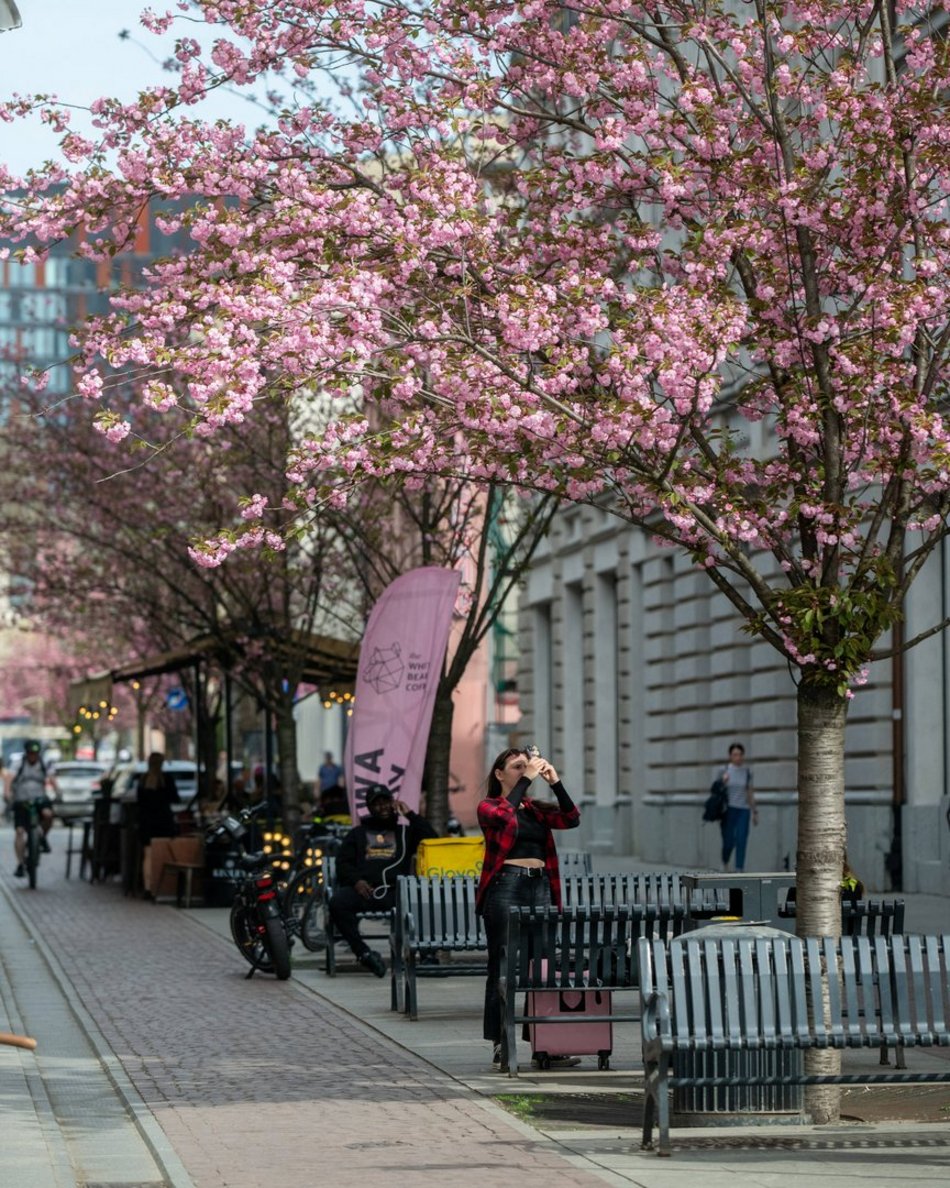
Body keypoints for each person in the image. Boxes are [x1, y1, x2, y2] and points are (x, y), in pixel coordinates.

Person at [476, 747, 580, 1068]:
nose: (524, 770)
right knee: (502, 967)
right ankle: (499, 1042)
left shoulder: (534, 808)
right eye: (517, 767)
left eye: (527, 765)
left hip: (540, 887)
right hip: (507, 886)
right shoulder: (488, 807)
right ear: (499, 774)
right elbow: (504, 818)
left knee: (542, 967)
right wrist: (527, 778)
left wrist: (555, 782)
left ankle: (544, 1044)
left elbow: (571, 819)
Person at [329, 784, 436, 977]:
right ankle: (364, 954)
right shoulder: (358, 833)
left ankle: (428, 955)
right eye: (376, 804)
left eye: (386, 802)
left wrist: (410, 814)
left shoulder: (405, 832)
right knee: (337, 902)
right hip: (366, 891)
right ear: (369, 808)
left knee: (422, 899)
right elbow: (343, 863)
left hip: (396, 892)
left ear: (393, 802)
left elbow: (432, 839)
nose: (382, 807)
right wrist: (356, 881)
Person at [6, 740, 58, 877]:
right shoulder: (18, 763)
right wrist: (7, 792)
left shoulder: (44, 762)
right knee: (19, 831)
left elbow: (52, 779)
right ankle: (20, 864)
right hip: (21, 800)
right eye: (30, 754)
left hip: (40, 799)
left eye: (35, 753)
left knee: (48, 814)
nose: (32, 756)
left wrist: (58, 792)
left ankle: (41, 837)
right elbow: (9, 778)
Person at [719, 742, 756, 872]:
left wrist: (754, 811)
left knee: (741, 839)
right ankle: (725, 861)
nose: (738, 757)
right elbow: (717, 790)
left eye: (740, 755)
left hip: (743, 810)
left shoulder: (747, 772)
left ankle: (739, 868)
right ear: (730, 756)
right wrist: (722, 781)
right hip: (728, 810)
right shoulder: (724, 770)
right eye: (735, 755)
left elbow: (749, 791)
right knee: (729, 840)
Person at [136, 752, 178, 846]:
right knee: (163, 849)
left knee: (149, 849)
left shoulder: (143, 780)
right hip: (163, 821)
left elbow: (140, 801)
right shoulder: (166, 779)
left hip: (147, 822)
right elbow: (174, 798)